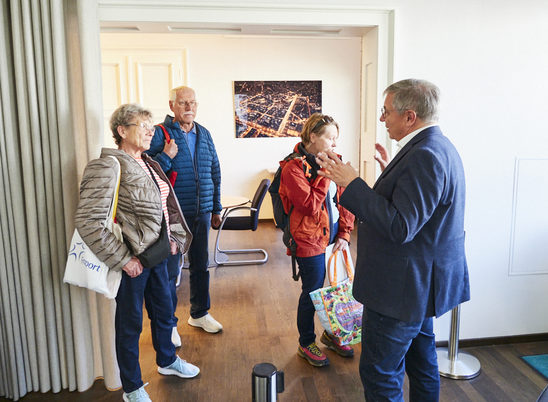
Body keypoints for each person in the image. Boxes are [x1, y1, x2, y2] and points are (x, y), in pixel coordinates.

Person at [316, 79, 470, 401]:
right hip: (418, 288)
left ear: (410, 116)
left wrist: (352, 182)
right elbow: (415, 210)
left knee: (380, 373)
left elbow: (401, 227)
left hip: (401, 291)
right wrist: (387, 176)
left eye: (386, 112)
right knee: (422, 364)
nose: (383, 119)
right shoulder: (435, 147)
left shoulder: (425, 154)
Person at [74, 104, 199, 402]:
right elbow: (88, 221)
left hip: (159, 256)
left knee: (164, 313)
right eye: (142, 125)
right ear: (121, 131)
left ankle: (167, 361)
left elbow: (164, 208)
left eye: (151, 126)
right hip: (132, 262)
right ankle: (132, 387)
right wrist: (123, 259)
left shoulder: (150, 163)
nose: (150, 130)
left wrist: (172, 239)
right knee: (130, 325)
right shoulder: (106, 166)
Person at [278, 113, 355, 367]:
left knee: (335, 290)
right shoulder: (293, 168)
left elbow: (345, 201)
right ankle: (306, 342)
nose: (334, 144)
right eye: (330, 138)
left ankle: (332, 334)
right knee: (312, 291)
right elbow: (311, 205)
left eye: (336, 139)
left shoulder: (335, 162)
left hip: (333, 237)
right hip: (308, 240)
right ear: (313, 137)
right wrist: (325, 174)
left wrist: (345, 232)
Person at [146, 85, 223, 342]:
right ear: (172, 106)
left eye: (192, 102)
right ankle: (169, 325)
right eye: (183, 103)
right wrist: (166, 156)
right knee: (170, 271)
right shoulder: (160, 134)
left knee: (201, 266)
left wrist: (216, 207)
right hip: (174, 216)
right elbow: (147, 171)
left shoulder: (204, 133)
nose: (189, 107)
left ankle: (200, 313)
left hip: (201, 213)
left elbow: (215, 171)